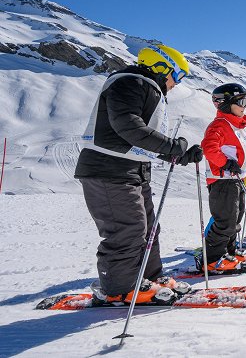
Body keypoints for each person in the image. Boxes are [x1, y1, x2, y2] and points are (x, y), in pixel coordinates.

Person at [76, 44, 202, 304]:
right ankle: (119, 288)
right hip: (108, 170)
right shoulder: (129, 83)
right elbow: (127, 126)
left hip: (130, 170)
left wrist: (179, 154)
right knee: (128, 230)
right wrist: (170, 146)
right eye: (177, 76)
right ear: (161, 66)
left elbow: (139, 139)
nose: (177, 84)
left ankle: (150, 278)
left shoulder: (146, 88)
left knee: (148, 230)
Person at [200, 82, 246, 271]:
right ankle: (211, 259)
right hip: (222, 181)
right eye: (241, 101)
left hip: (235, 180)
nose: (244, 106)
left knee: (235, 219)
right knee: (225, 221)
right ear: (226, 103)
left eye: (245, 101)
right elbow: (209, 147)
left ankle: (228, 253)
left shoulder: (236, 127)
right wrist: (224, 163)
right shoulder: (219, 125)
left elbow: (239, 152)